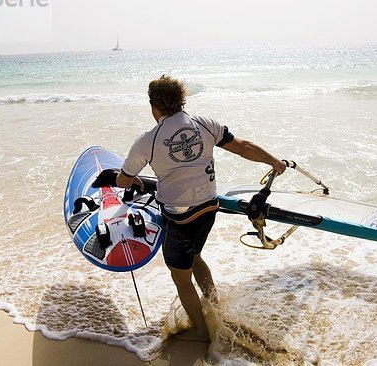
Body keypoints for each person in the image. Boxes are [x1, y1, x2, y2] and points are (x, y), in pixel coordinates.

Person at [114, 75, 286, 342]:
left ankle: (206, 336)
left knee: (181, 279)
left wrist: (130, 178)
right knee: (195, 257)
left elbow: (123, 179)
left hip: (179, 218)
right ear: (182, 100)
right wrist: (274, 161)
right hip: (208, 209)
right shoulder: (205, 124)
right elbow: (244, 147)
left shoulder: (147, 141)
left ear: (154, 108)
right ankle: (216, 308)